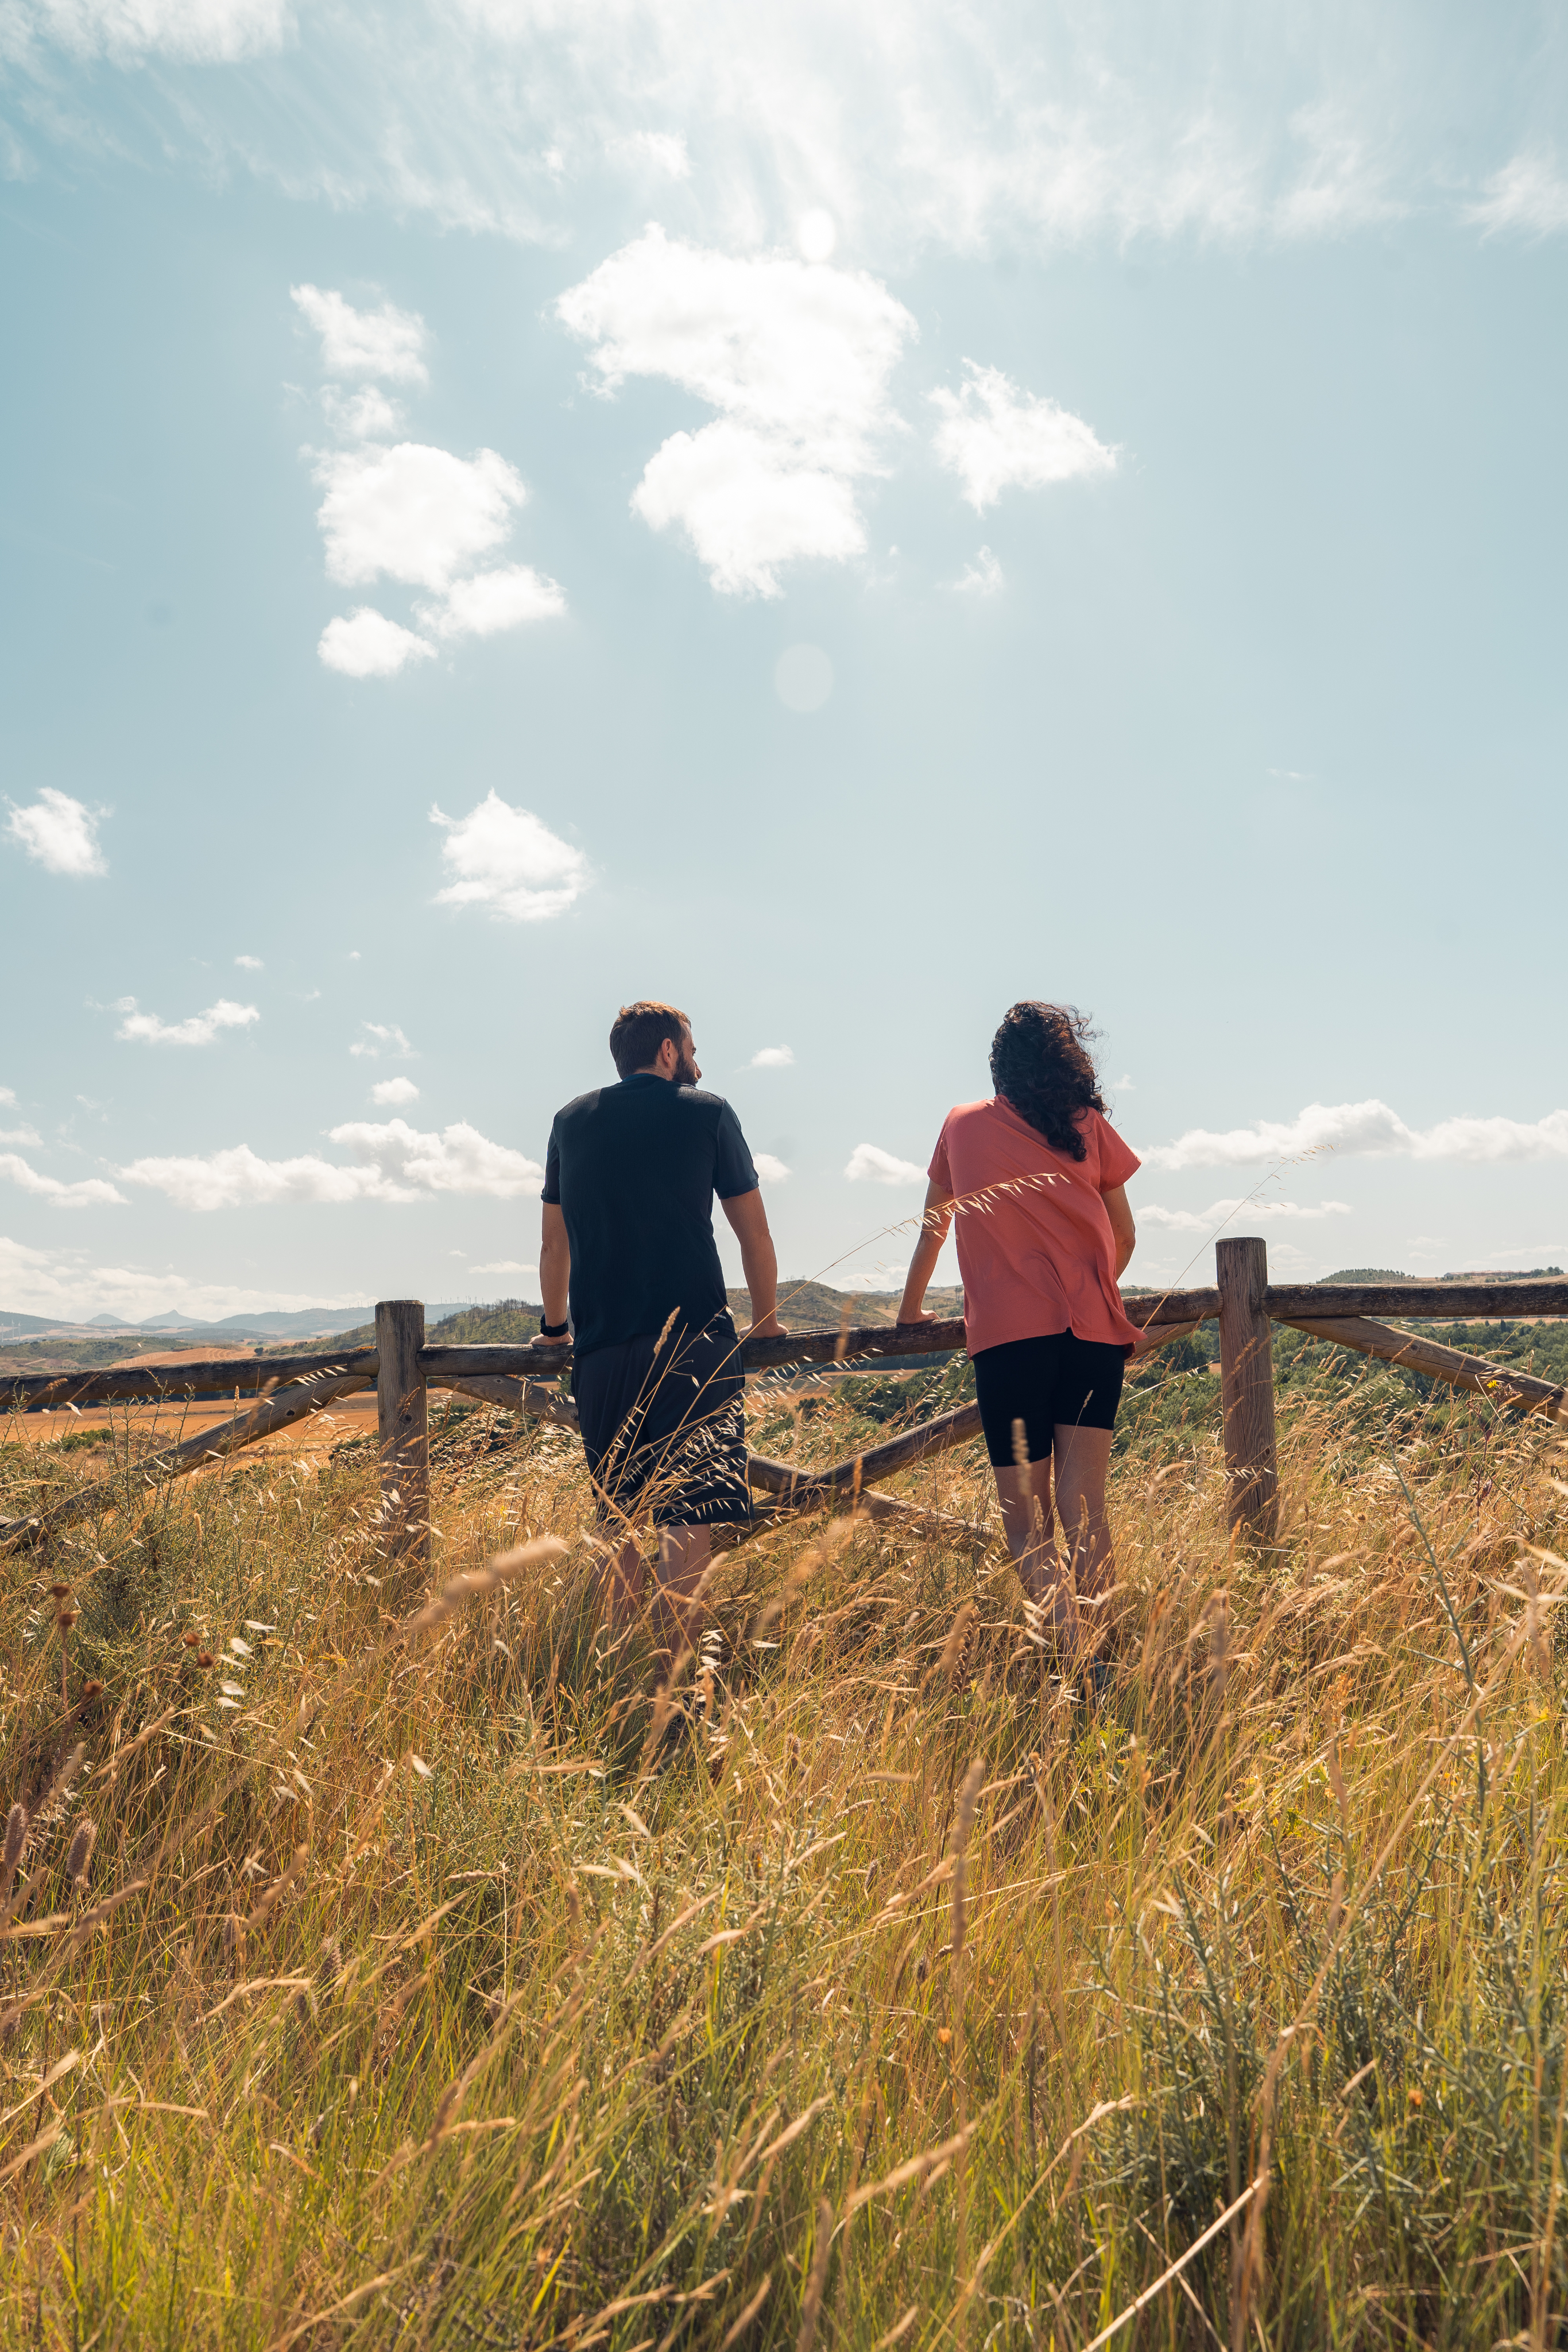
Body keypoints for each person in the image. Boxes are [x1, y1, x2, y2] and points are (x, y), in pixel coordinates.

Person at [537, 1001, 784, 1677]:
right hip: (694, 1345)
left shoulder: (569, 1121)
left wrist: (556, 1329)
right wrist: (766, 1321)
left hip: (602, 1351)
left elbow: (554, 1245)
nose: (697, 1061)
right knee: (687, 1518)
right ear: (669, 1051)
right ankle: (676, 1679)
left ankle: (623, 1676)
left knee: (617, 1517)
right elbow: (754, 1233)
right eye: (692, 1048)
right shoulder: (708, 1112)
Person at [896, 1001, 1141, 1663]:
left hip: (1010, 1340)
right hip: (1092, 1337)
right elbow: (1124, 1236)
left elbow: (934, 1227)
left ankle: (1077, 1663)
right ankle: (1110, 1661)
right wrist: (1090, 1291)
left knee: (1027, 1523)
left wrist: (910, 1309)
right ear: (1067, 1058)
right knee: (1085, 1508)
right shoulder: (1086, 1124)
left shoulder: (962, 1124)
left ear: (998, 1063)